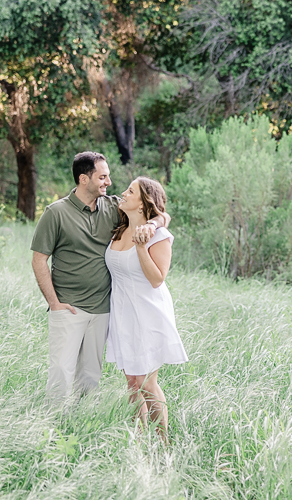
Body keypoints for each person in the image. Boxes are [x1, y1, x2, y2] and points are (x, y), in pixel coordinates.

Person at [30, 152, 166, 401]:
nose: (108, 182)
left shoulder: (114, 207)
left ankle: (81, 430)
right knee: (61, 371)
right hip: (68, 307)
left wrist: (154, 225)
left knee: (91, 376)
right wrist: (54, 303)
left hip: (103, 310)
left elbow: (157, 212)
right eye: (102, 177)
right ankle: (53, 429)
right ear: (84, 179)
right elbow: (39, 259)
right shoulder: (56, 213)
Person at [106, 176, 187, 439]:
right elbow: (164, 215)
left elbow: (156, 279)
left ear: (143, 204)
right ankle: (139, 440)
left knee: (146, 383)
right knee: (132, 383)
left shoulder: (158, 236)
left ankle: (162, 443)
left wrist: (142, 246)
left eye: (130, 191)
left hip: (148, 313)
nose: (123, 193)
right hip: (123, 313)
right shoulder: (120, 228)